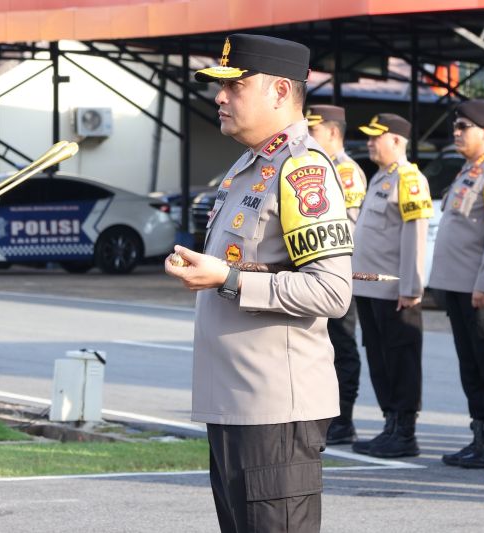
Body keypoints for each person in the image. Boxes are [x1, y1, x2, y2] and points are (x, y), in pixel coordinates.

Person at [164, 34, 353, 532]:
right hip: (234, 404)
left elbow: (332, 291)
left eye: (235, 86)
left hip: (273, 411)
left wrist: (226, 278)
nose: (220, 97)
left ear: (280, 91)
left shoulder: (302, 168)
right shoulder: (250, 166)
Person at [428, 100, 484, 469]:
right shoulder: (468, 171)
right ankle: (479, 436)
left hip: (480, 289)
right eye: (456, 126)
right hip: (458, 286)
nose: (457, 133)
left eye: (464, 127)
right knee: (471, 364)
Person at [348, 113, 431, 458]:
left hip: (395, 291)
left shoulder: (409, 179)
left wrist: (411, 287)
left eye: (375, 137)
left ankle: (405, 432)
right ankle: (390, 426)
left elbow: (415, 236)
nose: (369, 143)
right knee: (381, 360)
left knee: (401, 361)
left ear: (396, 141)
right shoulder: (380, 177)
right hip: (370, 289)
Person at [306, 104, 367, 445]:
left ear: (332, 132)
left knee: (342, 347)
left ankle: (344, 419)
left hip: (339, 274)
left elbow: (349, 228)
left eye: (313, 130)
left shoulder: (345, 171)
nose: (308, 135)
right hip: (316, 275)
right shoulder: (318, 166)